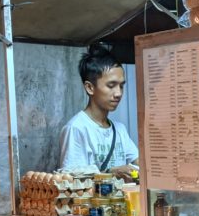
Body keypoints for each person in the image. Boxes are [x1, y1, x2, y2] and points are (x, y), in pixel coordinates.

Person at [58, 45, 139, 178]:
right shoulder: (76, 129)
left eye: (121, 86)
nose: (118, 93)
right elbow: (72, 183)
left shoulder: (119, 130)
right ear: (90, 88)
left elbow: (138, 163)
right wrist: (111, 173)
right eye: (111, 86)